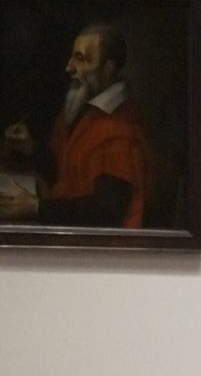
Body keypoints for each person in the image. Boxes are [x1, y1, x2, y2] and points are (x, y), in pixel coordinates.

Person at [0, 23, 155, 227]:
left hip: (97, 244)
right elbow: (64, 174)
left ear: (108, 68)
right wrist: (30, 149)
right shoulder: (86, 112)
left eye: (80, 59)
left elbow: (107, 213)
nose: (69, 67)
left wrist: (37, 207)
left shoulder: (120, 129)